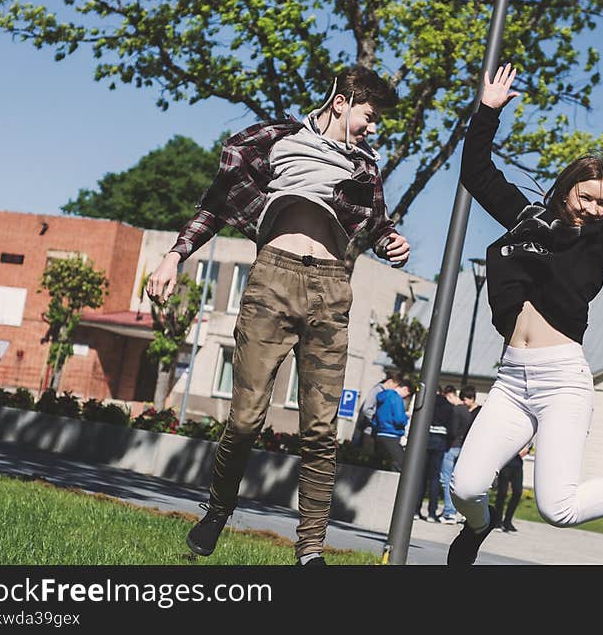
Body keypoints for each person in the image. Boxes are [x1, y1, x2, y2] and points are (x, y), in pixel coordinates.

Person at [146, 64, 410, 567]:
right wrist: (174, 254)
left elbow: (377, 227)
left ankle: (309, 550)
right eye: (369, 117)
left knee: (320, 430)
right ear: (341, 102)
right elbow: (218, 203)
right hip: (274, 279)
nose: (372, 129)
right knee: (245, 419)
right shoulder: (277, 142)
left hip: (331, 289)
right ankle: (219, 508)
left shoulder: (365, 167)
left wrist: (392, 244)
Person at [447, 63, 603, 566]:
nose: (594, 209)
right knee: (464, 486)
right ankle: (477, 528)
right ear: (566, 191)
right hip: (511, 379)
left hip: (561, 381)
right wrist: (488, 112)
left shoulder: (602, 243)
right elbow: (477, 173)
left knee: (557, 506)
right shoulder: (527, 222)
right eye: (586, 197)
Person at [414, 385, 453, 522]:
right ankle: (431, 513)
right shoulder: (449, 406)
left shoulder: (428, 403)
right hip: (440, 440)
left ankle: (416, 510)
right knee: (434, 478)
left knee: (421, 476)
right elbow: (452, 428)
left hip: (426, 439)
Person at [439, 387, 472, 524]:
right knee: (456, 481)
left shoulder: (455, 410)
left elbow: (452, 430)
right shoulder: (467, 411)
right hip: (462, 447)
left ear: (450, 396)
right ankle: (458, 510)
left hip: (452, 446)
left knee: (446, 479)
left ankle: (449, 511)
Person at [351, 371, 404, 450]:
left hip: (377, 430)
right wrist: (378, 420)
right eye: (394, 386)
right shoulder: (377, 390)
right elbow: (366, 409)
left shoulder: (385, 393)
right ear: (389, 382)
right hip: (369, 431)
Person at [372, 382, 413, 472]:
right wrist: (405, 416)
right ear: (405, 389)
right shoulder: (396, 398)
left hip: (379, 433)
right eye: (406, 395)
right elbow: (398, 420)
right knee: (402, 465)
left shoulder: (382, 396)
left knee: (379, 465)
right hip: (392, 434)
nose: (405, 397)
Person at [493, 445, 529, 532]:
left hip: (518, 464)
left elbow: (529, 442)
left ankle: (507, 521)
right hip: (506, 463)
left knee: (518, 492)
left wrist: (527, 449)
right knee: (502, 493)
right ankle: (497, 521)